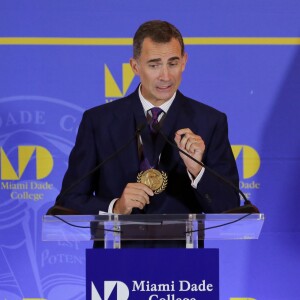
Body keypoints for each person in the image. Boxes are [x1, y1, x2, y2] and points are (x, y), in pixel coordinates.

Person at [54, 20, 240, 247]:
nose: (166, 76)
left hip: (185, 268)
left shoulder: (210, 122)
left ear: (184, 61)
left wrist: (197, 170)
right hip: (116, 263)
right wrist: (116, 207)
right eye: (154, 65)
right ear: (135, 66)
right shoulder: (99, 121)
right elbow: (68, 202)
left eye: (173, 63)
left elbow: (229, 207)